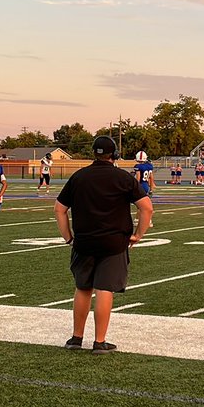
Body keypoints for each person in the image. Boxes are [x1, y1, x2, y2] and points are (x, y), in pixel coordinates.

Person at [54, 135, 153, 352]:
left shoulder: (79, 177)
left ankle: (76, 338)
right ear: (114, 154)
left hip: (84, 241)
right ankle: (100, 341)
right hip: (113, 242)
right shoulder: (122, 178)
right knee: (105, 289)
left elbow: (59, 209)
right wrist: (138, 234)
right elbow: (146, 208)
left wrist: (68, 237)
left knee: (82, 288)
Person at [133, 150, 155, 228]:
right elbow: (151, 178)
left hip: (141, 186)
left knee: (140, 205)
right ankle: (146, 220)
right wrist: (151, 189)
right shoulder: (149, 166)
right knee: (146, 204)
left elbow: (138, 178)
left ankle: (139, 220)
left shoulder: (138, 167)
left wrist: (135, 187)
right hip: (146, 186)